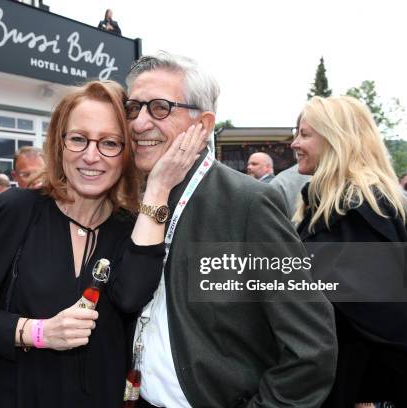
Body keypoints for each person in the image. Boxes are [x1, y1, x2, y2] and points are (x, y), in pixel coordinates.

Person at [0, 80, 205, 408]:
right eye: (78, 139)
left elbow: (132, 296)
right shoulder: (15, 211)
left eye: (110, 143)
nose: (91, 156)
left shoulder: (131, 229)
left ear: (127, 153)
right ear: (59, 143)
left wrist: (159, 187)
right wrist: (38, 332)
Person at [125, 51, 337, 408]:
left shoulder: (247, 204)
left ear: (204, 124)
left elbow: (311, 347)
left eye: (159, 108)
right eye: (133, 108)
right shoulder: (130, 199)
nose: (138, 123)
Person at [292, 95, 407, 407]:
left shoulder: (360, 208)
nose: (294, 143)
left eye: (305, 134)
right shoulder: (332, 203)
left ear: (336, 141)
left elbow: (381, 320)